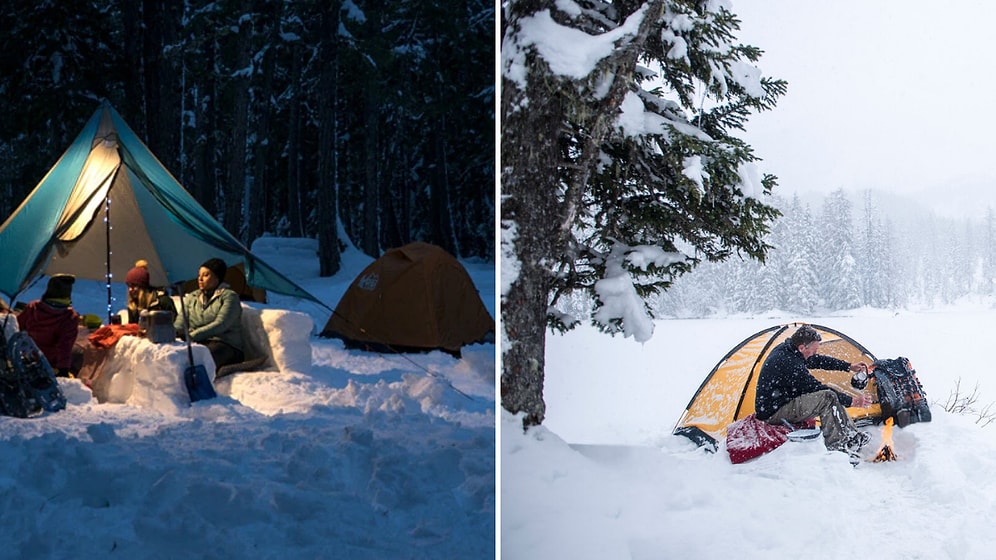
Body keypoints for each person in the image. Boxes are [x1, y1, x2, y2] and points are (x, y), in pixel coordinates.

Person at [754, 324, 873, 458]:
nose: (815, 353)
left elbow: (817, 360)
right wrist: (852, 401)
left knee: (829, 394)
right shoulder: (789, 363)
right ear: (802, 347)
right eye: (814, 350)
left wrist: (848, 366)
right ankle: (839, 446)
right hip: (774, 412)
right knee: (827, 397)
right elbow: (816, 387)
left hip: (782, 401)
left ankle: (850, 434)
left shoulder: (790, 349)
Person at [174, 258, 244, 370]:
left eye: (206, 275)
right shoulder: (192, 297)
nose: (200, 279)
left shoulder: (229, 297)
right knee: (177, 356)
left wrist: (193, 335)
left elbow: (221, 324)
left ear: (217, 278)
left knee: (200, 359)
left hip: (225, 344)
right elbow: (180, 322)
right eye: (199, 275)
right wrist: (172, 333)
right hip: (199, 342)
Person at [16, 274, 81, 377]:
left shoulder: (32, 307)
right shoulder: (69, 317)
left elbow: (17, 328)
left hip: (24, 358)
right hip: (48, 365)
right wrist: (63, 370)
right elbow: (65, 346)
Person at [124, 259, 177, 324]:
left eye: (133, 286)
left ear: (143, 287)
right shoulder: (133, 305)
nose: (130, 289)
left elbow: (176, 324)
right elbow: (132, 327)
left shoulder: (163, 301)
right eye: (128, 286)